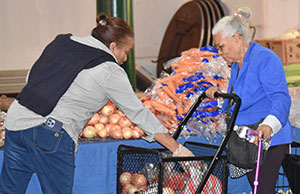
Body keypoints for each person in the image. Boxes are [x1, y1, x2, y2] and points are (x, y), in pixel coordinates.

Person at [0, 13, 193, 194]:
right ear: (113, 46)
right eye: (126, 52)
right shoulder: (109, 69)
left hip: (16, 123)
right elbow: (138, 113)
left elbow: (31, 78)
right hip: (51, 133)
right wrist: (177, 148)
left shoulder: (61, 42)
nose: (125, 59)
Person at [205, 6, 293, 194]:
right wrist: (221, 97)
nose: (219, 51)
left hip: (268, 140)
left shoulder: (265, 59)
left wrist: (269, 125)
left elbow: (280, 97)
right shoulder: (237, 64)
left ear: (236, 38)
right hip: (246, 141)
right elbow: (243, 99)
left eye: (221, 46)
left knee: (262, 190)